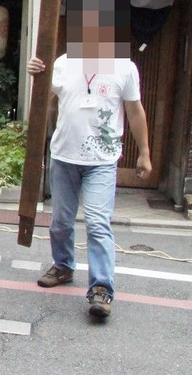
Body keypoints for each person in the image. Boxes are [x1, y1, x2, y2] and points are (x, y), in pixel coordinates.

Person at [27, 50, 150, 318]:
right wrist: (38, 75)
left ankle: (102, 288)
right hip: (63, 156)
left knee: (97, 223)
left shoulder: (125, 67)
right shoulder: (62, 62)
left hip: (102, 161)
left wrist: (144, 152)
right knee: (60, 220)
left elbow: (135, 111)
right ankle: (63, 265)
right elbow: (44, 98)